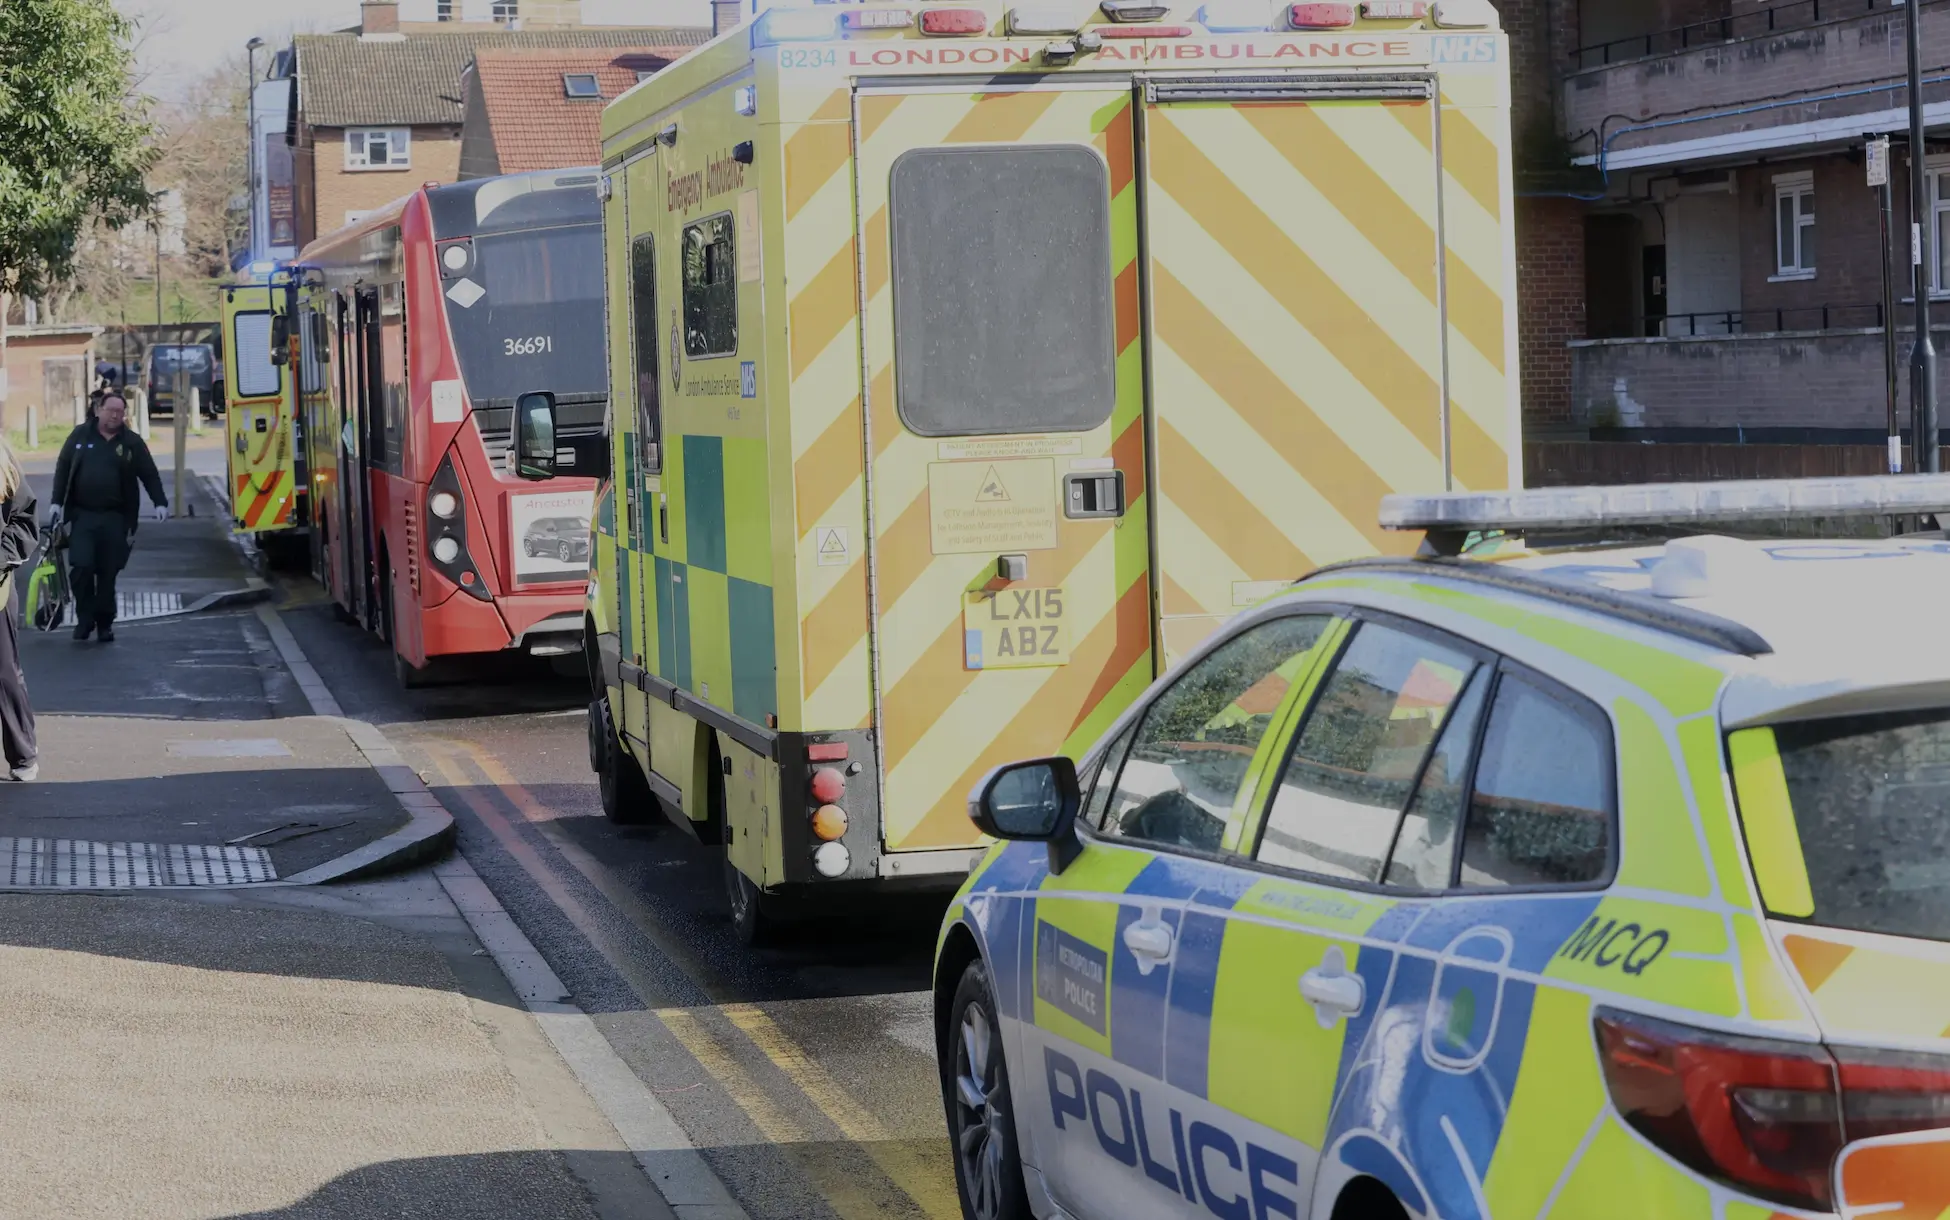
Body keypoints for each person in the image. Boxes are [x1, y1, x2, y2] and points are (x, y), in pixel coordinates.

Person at [48, 394, 168, 643]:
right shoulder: (80, 436)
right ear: (98, 410)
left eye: (120, 412)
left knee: (107, 572)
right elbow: (63, 468)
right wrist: (56, 503)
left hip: (115, 517)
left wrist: (160, 502)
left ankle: (104, 624)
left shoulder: (131, 442)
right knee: (81, 567)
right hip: (83, 515)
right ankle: (84, 618)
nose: (115, 415)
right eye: (111, 410)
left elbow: (149, 473)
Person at [0, 438, 40, 781]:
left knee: (4, 673)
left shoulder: (3, 461)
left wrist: (1, 559)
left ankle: (23, 755)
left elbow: (25, 522)